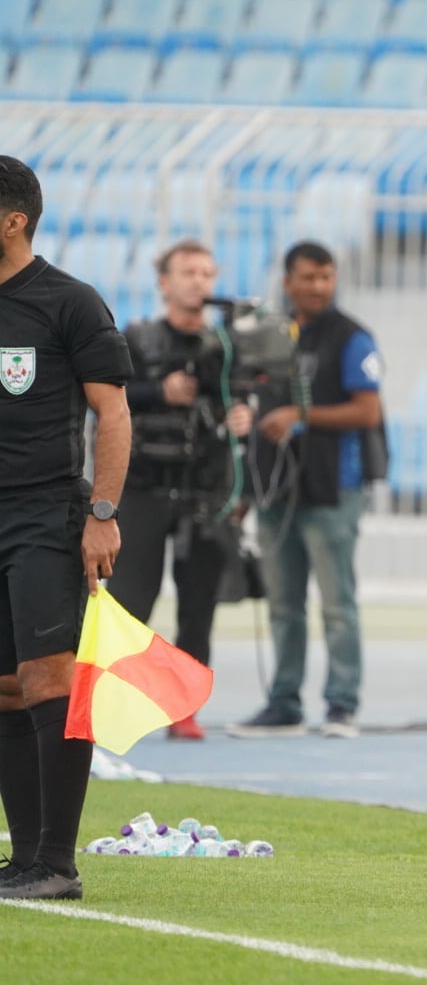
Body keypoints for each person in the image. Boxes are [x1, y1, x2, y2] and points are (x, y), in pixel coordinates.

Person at [0, 156, 132, 901]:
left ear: (14, 220)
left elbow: (112, 413)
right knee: (5, 689)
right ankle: (23, 861)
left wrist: (102, 516)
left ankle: (57, 862)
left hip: (45, 511)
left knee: (49, 678)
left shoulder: (68, 302)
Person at [227, 242, 387, 741]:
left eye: (326, 276)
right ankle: (284, 702)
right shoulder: (269, 336)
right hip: (276, 488)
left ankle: (342, 705)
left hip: (332, 488)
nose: (318, 286)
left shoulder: (353, 337)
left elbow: (368, 411)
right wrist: (247, 494)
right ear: (288, 281)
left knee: (337, 601)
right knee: (282, 602)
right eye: (308, 277)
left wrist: (302, 416)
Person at [106, 241, 252, 741]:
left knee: (199, 605)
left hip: (203, 493)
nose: (199, 282)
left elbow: (246, 397)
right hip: (144, 488)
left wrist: (242, 417)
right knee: (128, 602)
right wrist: (158, 393)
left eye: (208, 273)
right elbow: (104, 400)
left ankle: (184, 708)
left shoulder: (227, 346)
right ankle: (118, 701)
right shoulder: (137, 338)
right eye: (188, 272)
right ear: (164, 282)